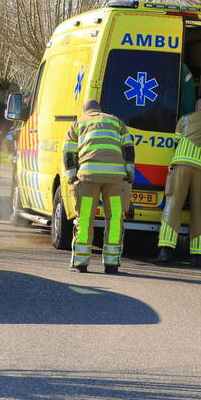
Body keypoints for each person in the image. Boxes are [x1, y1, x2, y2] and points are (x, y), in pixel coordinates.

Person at [63, 99, 135, 274]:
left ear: (85, 110)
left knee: (85, 217)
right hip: (115, 178)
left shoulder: (78, 124)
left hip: (88, 177)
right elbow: (129, 150)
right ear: (100, 109)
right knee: (115, 218)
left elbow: (68, 154)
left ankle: (80, 263)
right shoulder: (116, 122)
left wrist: (72, 178)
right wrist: (128, 175)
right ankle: (111, 264)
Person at [157, 98, 201, 267]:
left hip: (181, 165)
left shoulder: (186, 118)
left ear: (197, 107)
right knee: (199, 210)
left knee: (173, 206)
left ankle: (166, 250)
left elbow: (175, 142)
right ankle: (198, 255)